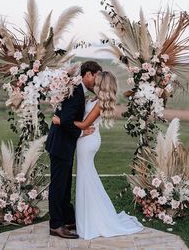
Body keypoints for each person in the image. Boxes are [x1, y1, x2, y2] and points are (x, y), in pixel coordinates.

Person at [53, 71, 143, 240]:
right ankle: (86, 217)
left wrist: (61, 121)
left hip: (88, 140)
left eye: (97, 82)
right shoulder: (93, 99)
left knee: (86, 178)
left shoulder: (100, 103)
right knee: (86, 178)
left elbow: (86, 124)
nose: (93, 83)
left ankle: (93, 220)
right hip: (84, 140)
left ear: (102, 85)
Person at [45, 61, 102, 239]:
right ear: (87, 75)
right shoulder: (76, 93)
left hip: (64, 144)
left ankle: (67, 219)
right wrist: (81, 131)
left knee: (65, 184)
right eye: (96, 77)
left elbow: (64, 118)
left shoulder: (78, 91)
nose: (97, 82)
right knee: (58, 186)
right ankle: (56, 225)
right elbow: (67, 120)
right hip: (61, 144)